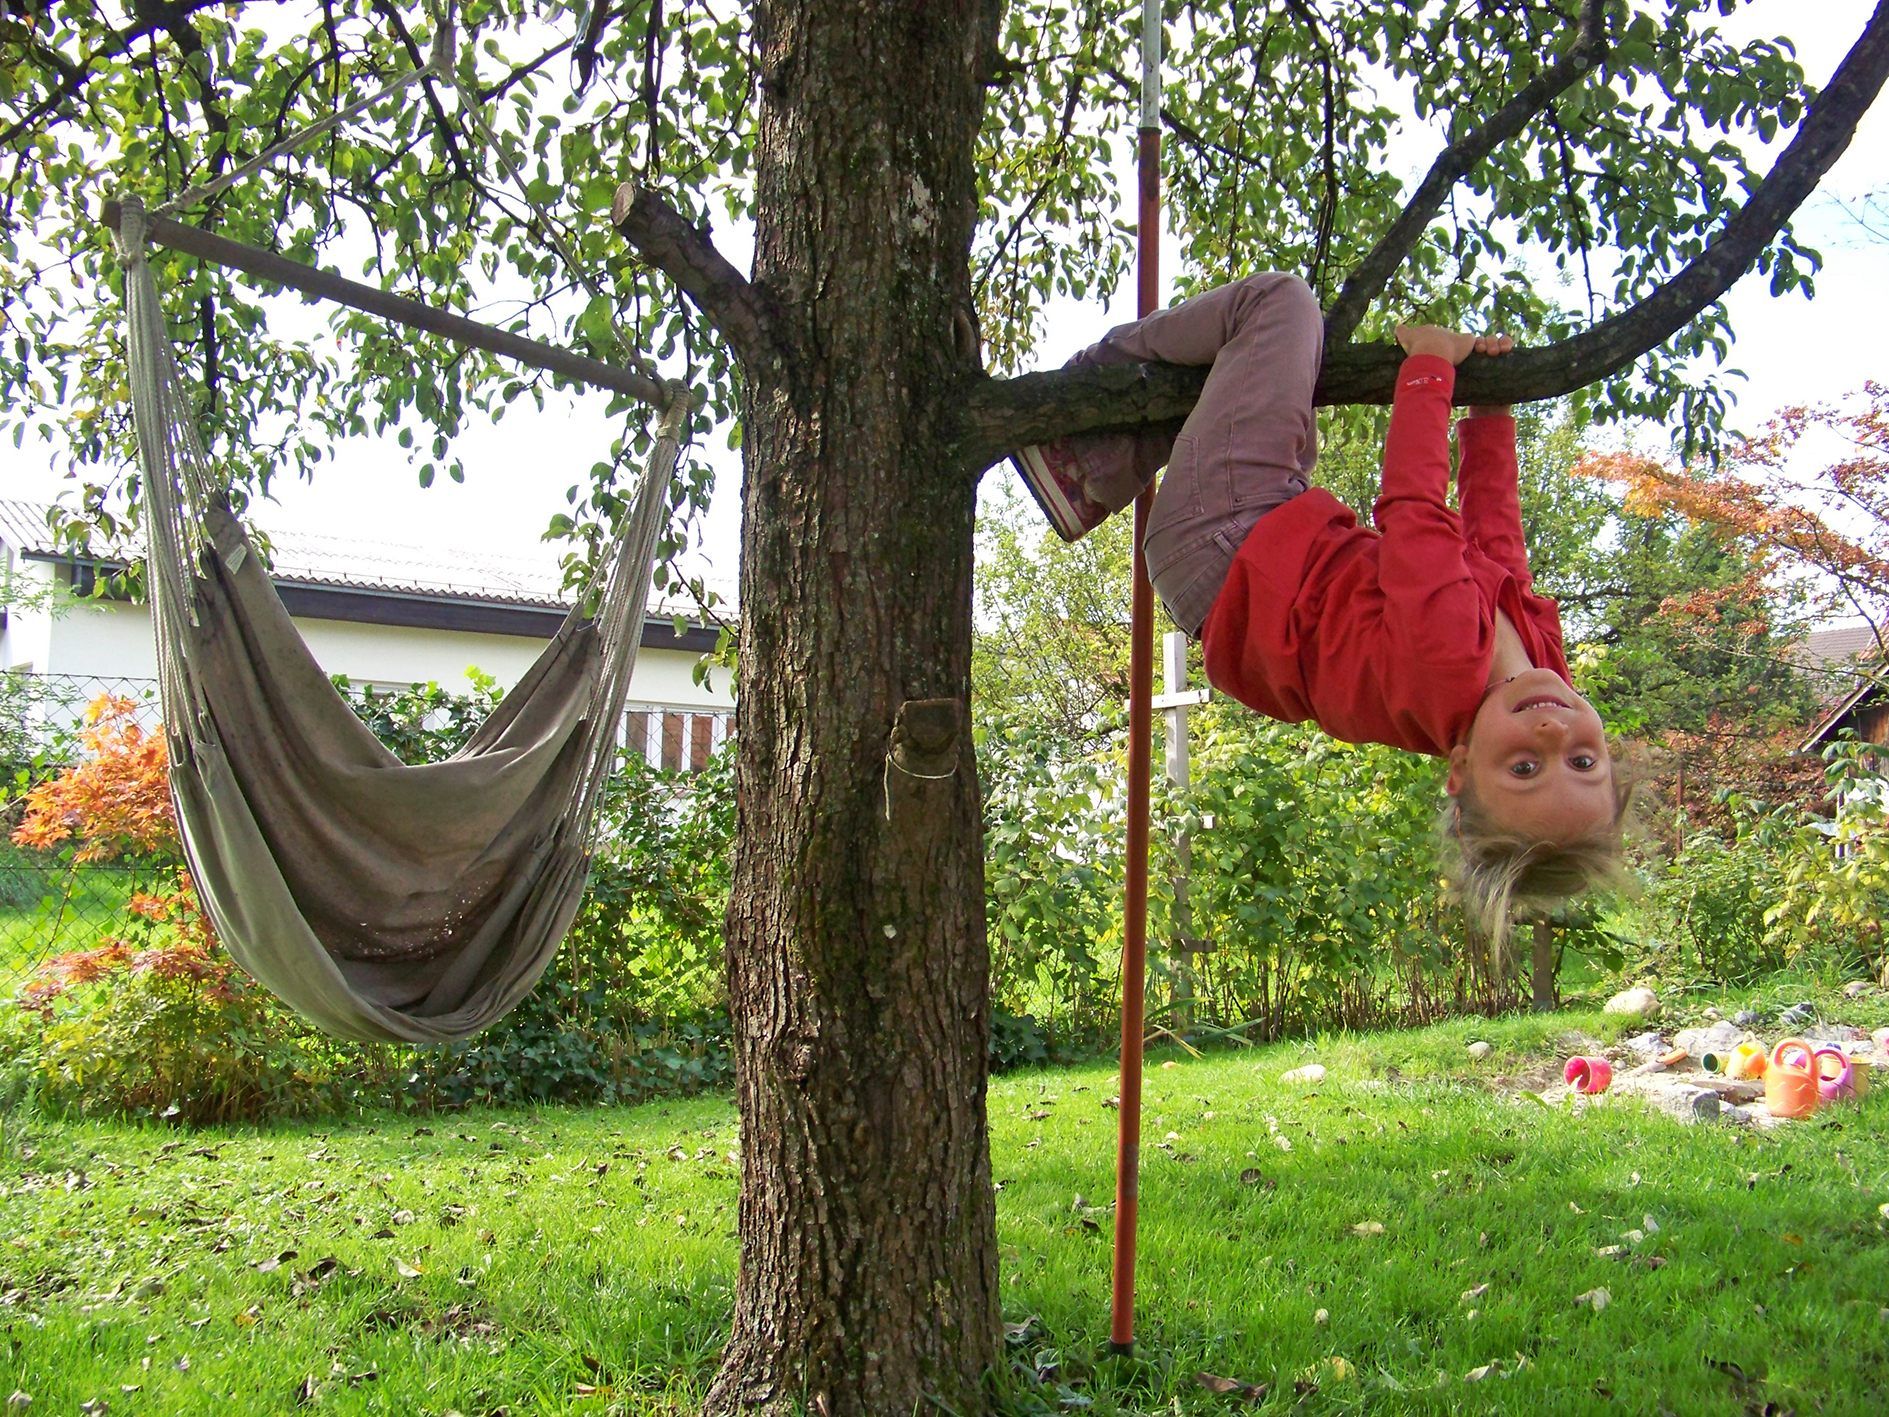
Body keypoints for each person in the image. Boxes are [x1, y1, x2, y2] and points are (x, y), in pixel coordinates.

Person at [1009, 272, 1632, 941]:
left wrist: (1428, 368)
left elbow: (1415, 512)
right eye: (1583, 761)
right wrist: (1490, 420)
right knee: (1254, 376)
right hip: (1267, 535)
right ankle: (1095, 466)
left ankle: (1084, 404)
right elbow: (1496, 544)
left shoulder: (1444, 664)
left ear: (1459, 771)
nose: (1551, 738)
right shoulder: (1540, 666)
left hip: (1223, 541)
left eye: (1523, 769)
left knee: (1278, 306)